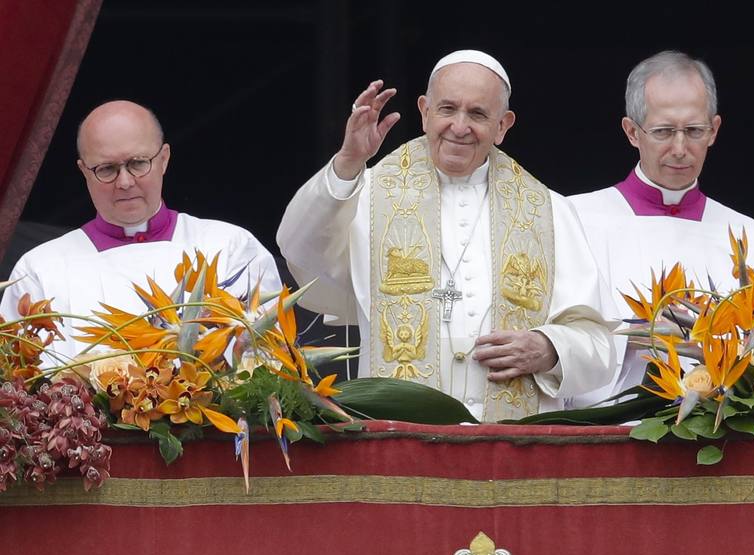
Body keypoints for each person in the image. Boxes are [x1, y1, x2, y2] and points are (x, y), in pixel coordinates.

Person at [278, 50, 615, 422]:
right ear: (424, 112)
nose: (459, 126)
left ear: (503, 125)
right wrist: (347, 162)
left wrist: (550, 349)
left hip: (512, 451)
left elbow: (598, 346)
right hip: (398, 445)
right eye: (447, 109)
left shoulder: (548, 210)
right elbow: (301, 254)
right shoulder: (366, 194)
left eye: (477, 114)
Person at [568, 50, 754, 407]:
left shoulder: (753, 240)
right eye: (663, 131)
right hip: (606, 444)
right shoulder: (573, 220)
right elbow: (554, 346)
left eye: (693, 131)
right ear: (631, 132)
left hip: (728, 447)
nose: (680, 148)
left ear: (714, 130)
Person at [0, 100, 282, 363]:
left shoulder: (230, 247)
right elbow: (17, 384)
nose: (124, 182)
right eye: (106, 169)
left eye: (137, 164)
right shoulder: (40, 268)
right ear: (84, 171)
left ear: (163, 159)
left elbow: (267, 363)